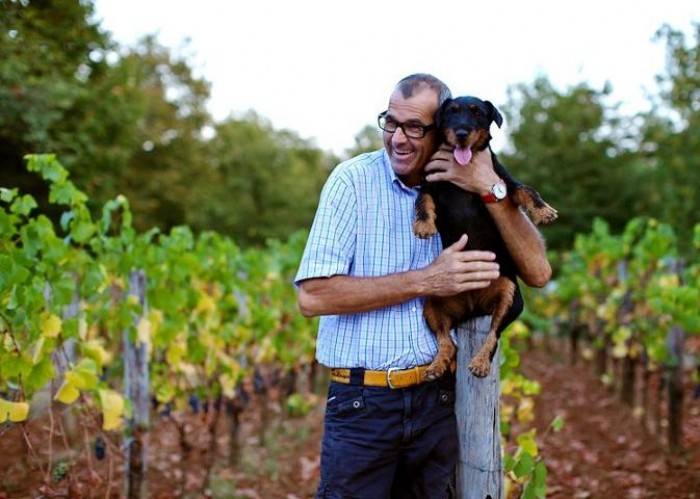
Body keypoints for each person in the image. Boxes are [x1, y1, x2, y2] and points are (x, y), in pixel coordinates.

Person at [294, 73, 551, 499]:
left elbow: (538, 274)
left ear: (444, 131)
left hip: (438, 403)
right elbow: (312, 296)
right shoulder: (351, 182)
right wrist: (427, 280)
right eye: (391, 123)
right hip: (364, 406)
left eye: (415, 128)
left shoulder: (477, 179)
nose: (398, 138)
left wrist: (489, 189)